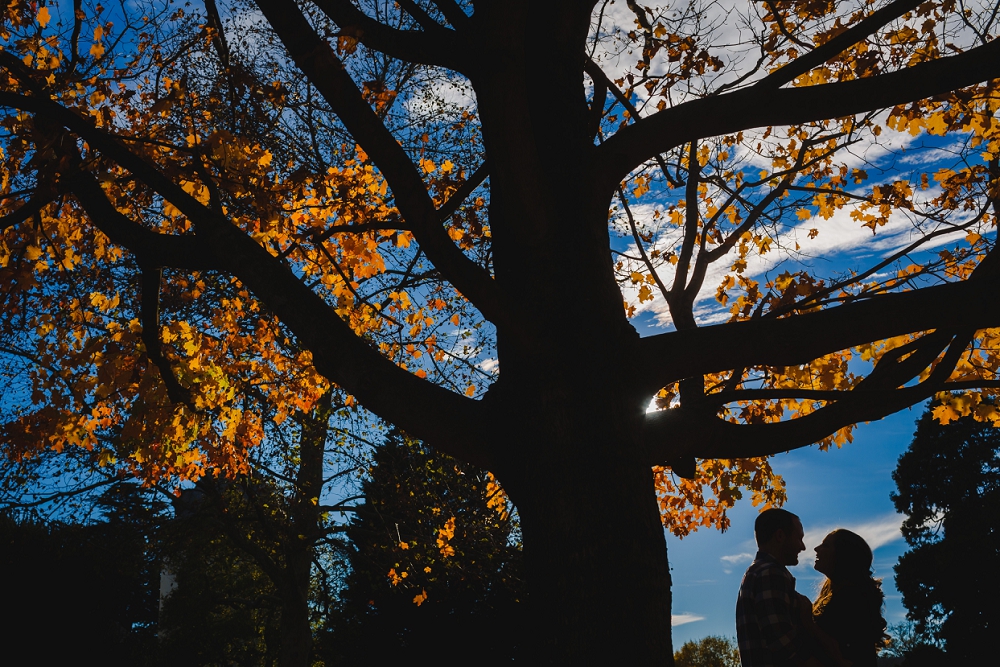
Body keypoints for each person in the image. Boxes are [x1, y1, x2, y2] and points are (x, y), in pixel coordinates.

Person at [736, 508, 822, 667]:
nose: (802, 547)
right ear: (780, 536)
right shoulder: (771, 573)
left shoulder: (756, 572)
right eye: (799, 538)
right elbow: (782, 642)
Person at [806, 530, 889, 667]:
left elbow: (840, 652)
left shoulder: (854, 600)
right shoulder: (848, 595)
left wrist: (808, 623)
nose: (816, 549)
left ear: (842, 556)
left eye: (826, 546)